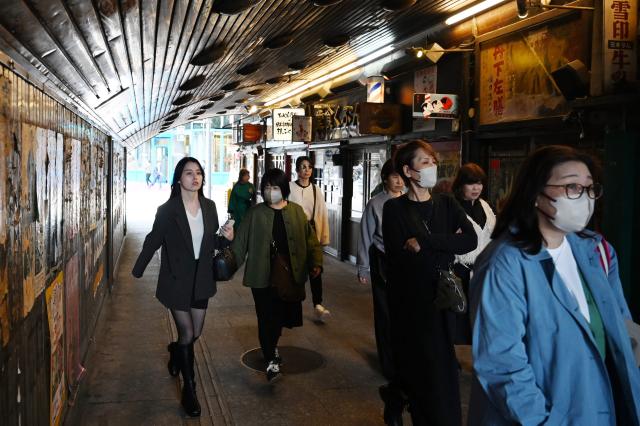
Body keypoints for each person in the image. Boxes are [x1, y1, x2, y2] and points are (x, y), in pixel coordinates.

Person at [468, 145, 640, 425]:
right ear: (536, 194)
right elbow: (500, 362)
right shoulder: (505, 263)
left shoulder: (597, 251)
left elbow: (622, 327)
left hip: (597, 407)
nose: (583, 198)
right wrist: (543, 420)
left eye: (589, 188)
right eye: (571, 187)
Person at [382, 140, 477, 426]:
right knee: (420, 366)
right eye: (424, 162)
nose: (432, 165)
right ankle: (402, 397)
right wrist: (445, 247)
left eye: (432, 160)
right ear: (409, 171)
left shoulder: (447, 203)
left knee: (443, 367)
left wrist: (426, 242)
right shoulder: (394, 209)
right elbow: (399, 259)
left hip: (444, 296)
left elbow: (469, 240)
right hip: (412, 302)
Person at [131, 157, 234, 417]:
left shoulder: (210, 207)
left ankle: (176, 352)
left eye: (198, 173)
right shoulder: (168, 209)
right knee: (187, 333)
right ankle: (190, 390)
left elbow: (212, 243)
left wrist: (226, 239)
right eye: (189, 173)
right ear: (179, 178)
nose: (194, 177)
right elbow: (154, 240)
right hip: (176, 279)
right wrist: (138, 268)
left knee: (195, 332)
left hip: (201, 279)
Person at [232, 168, 323, 382]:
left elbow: (311, 240)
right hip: (261, 276)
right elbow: (239, 245)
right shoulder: (254, 213)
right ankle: (271, 355)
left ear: (283, 189)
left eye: (274, 187)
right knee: (266, 316)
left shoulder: (297, 212)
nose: (269, 191)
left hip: (289, 275)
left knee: (280, 316)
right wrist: (225, 263)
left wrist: (316, 262)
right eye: (266, 187)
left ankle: (271, 348)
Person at [356, 159, 405, 426]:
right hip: (383, 262)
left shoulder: (411, 200)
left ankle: (403, 359)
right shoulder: (376, 204)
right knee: (385, 313)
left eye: (401, 177)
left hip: (406, 263)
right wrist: (363, 267)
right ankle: (388, 364)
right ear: (385, 178)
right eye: (394, 177)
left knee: (404, 314)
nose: (398, 181)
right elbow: (365, 236)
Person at [451, 163, 496, 344]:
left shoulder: (485, 205)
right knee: (458, 320)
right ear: (461, 184)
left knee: (484, 321)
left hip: (485, 270)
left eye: (479, 183)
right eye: (471, 183)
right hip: (460, 271)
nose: (476, 188)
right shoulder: (451, 206)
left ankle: (481, 364)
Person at [288, 156, 332, 322]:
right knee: (296, 269)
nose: (306, 170)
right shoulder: (290, 187)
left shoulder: (316, 189)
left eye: (309, 167)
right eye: (303, 167)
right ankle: (293, 305)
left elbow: (321, 213)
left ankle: (318, 305)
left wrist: (323, 237)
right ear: (297, 170)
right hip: (294, 231)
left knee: (316, 268)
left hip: (311, 232)